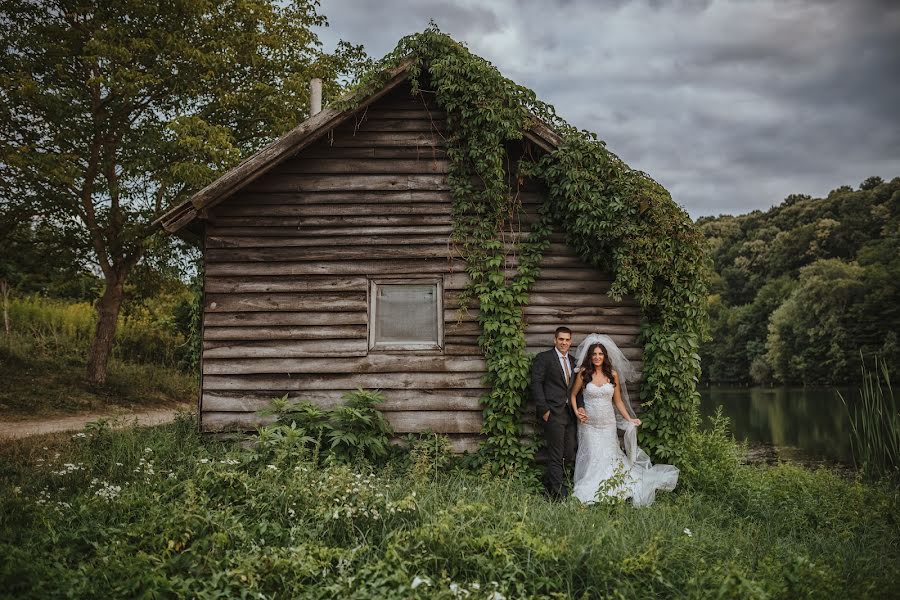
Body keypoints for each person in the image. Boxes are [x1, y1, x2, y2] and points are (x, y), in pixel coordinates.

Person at [568, 334, 679, 506]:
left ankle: (614, 488)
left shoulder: (612, 374)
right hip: (588, 425)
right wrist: (577, 412)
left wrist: (630, 418)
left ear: (605, 356)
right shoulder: (584, 373)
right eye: (594, 354)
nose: (597, 357)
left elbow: (618, 401)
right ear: (590, 357)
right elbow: (574, 395)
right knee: (592, 456)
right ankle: (592, 489)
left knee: (610, 456)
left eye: (600, 354)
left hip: (608, 424)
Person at [531, 327, 585, 500]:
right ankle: (559, 495)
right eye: (561, 339)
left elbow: (577, 390)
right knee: (555, 455)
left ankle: (549, 488)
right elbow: (536, 385)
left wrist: (580, 407)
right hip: (553, 414)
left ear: (571, 341)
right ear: (555, 340)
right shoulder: (544, 358)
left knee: (568, 453)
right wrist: (544, 410)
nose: (564, 342)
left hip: (570, 414)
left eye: (567, 340)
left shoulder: (574, 361)